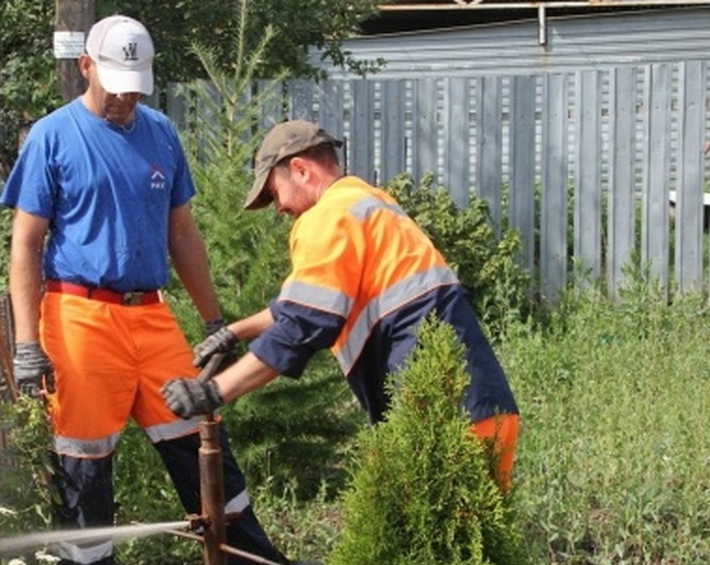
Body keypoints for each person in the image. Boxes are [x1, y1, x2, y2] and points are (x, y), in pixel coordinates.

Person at [1, 16, 315, 565]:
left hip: (151, 315)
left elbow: (182, 232)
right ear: (86, 67)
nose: (126, 97)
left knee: (203, 435)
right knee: (85, 462)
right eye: (116, 83)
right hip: (77, 314)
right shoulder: (52, 137)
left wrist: (215, 319)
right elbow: (26, 245)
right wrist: (25, 342)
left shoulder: (161, 134)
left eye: (136, 86)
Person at [161, 120, 521, 490]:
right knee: (476, 538)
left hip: (439, 417)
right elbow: (304, 303)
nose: (279, 209)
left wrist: (214, 392)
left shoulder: (326, 217)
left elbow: (301, 325)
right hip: (484, 408)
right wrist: (234, 331)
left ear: (300, 169)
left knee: (427, 538)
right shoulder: (368, 203)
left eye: (274, 193)